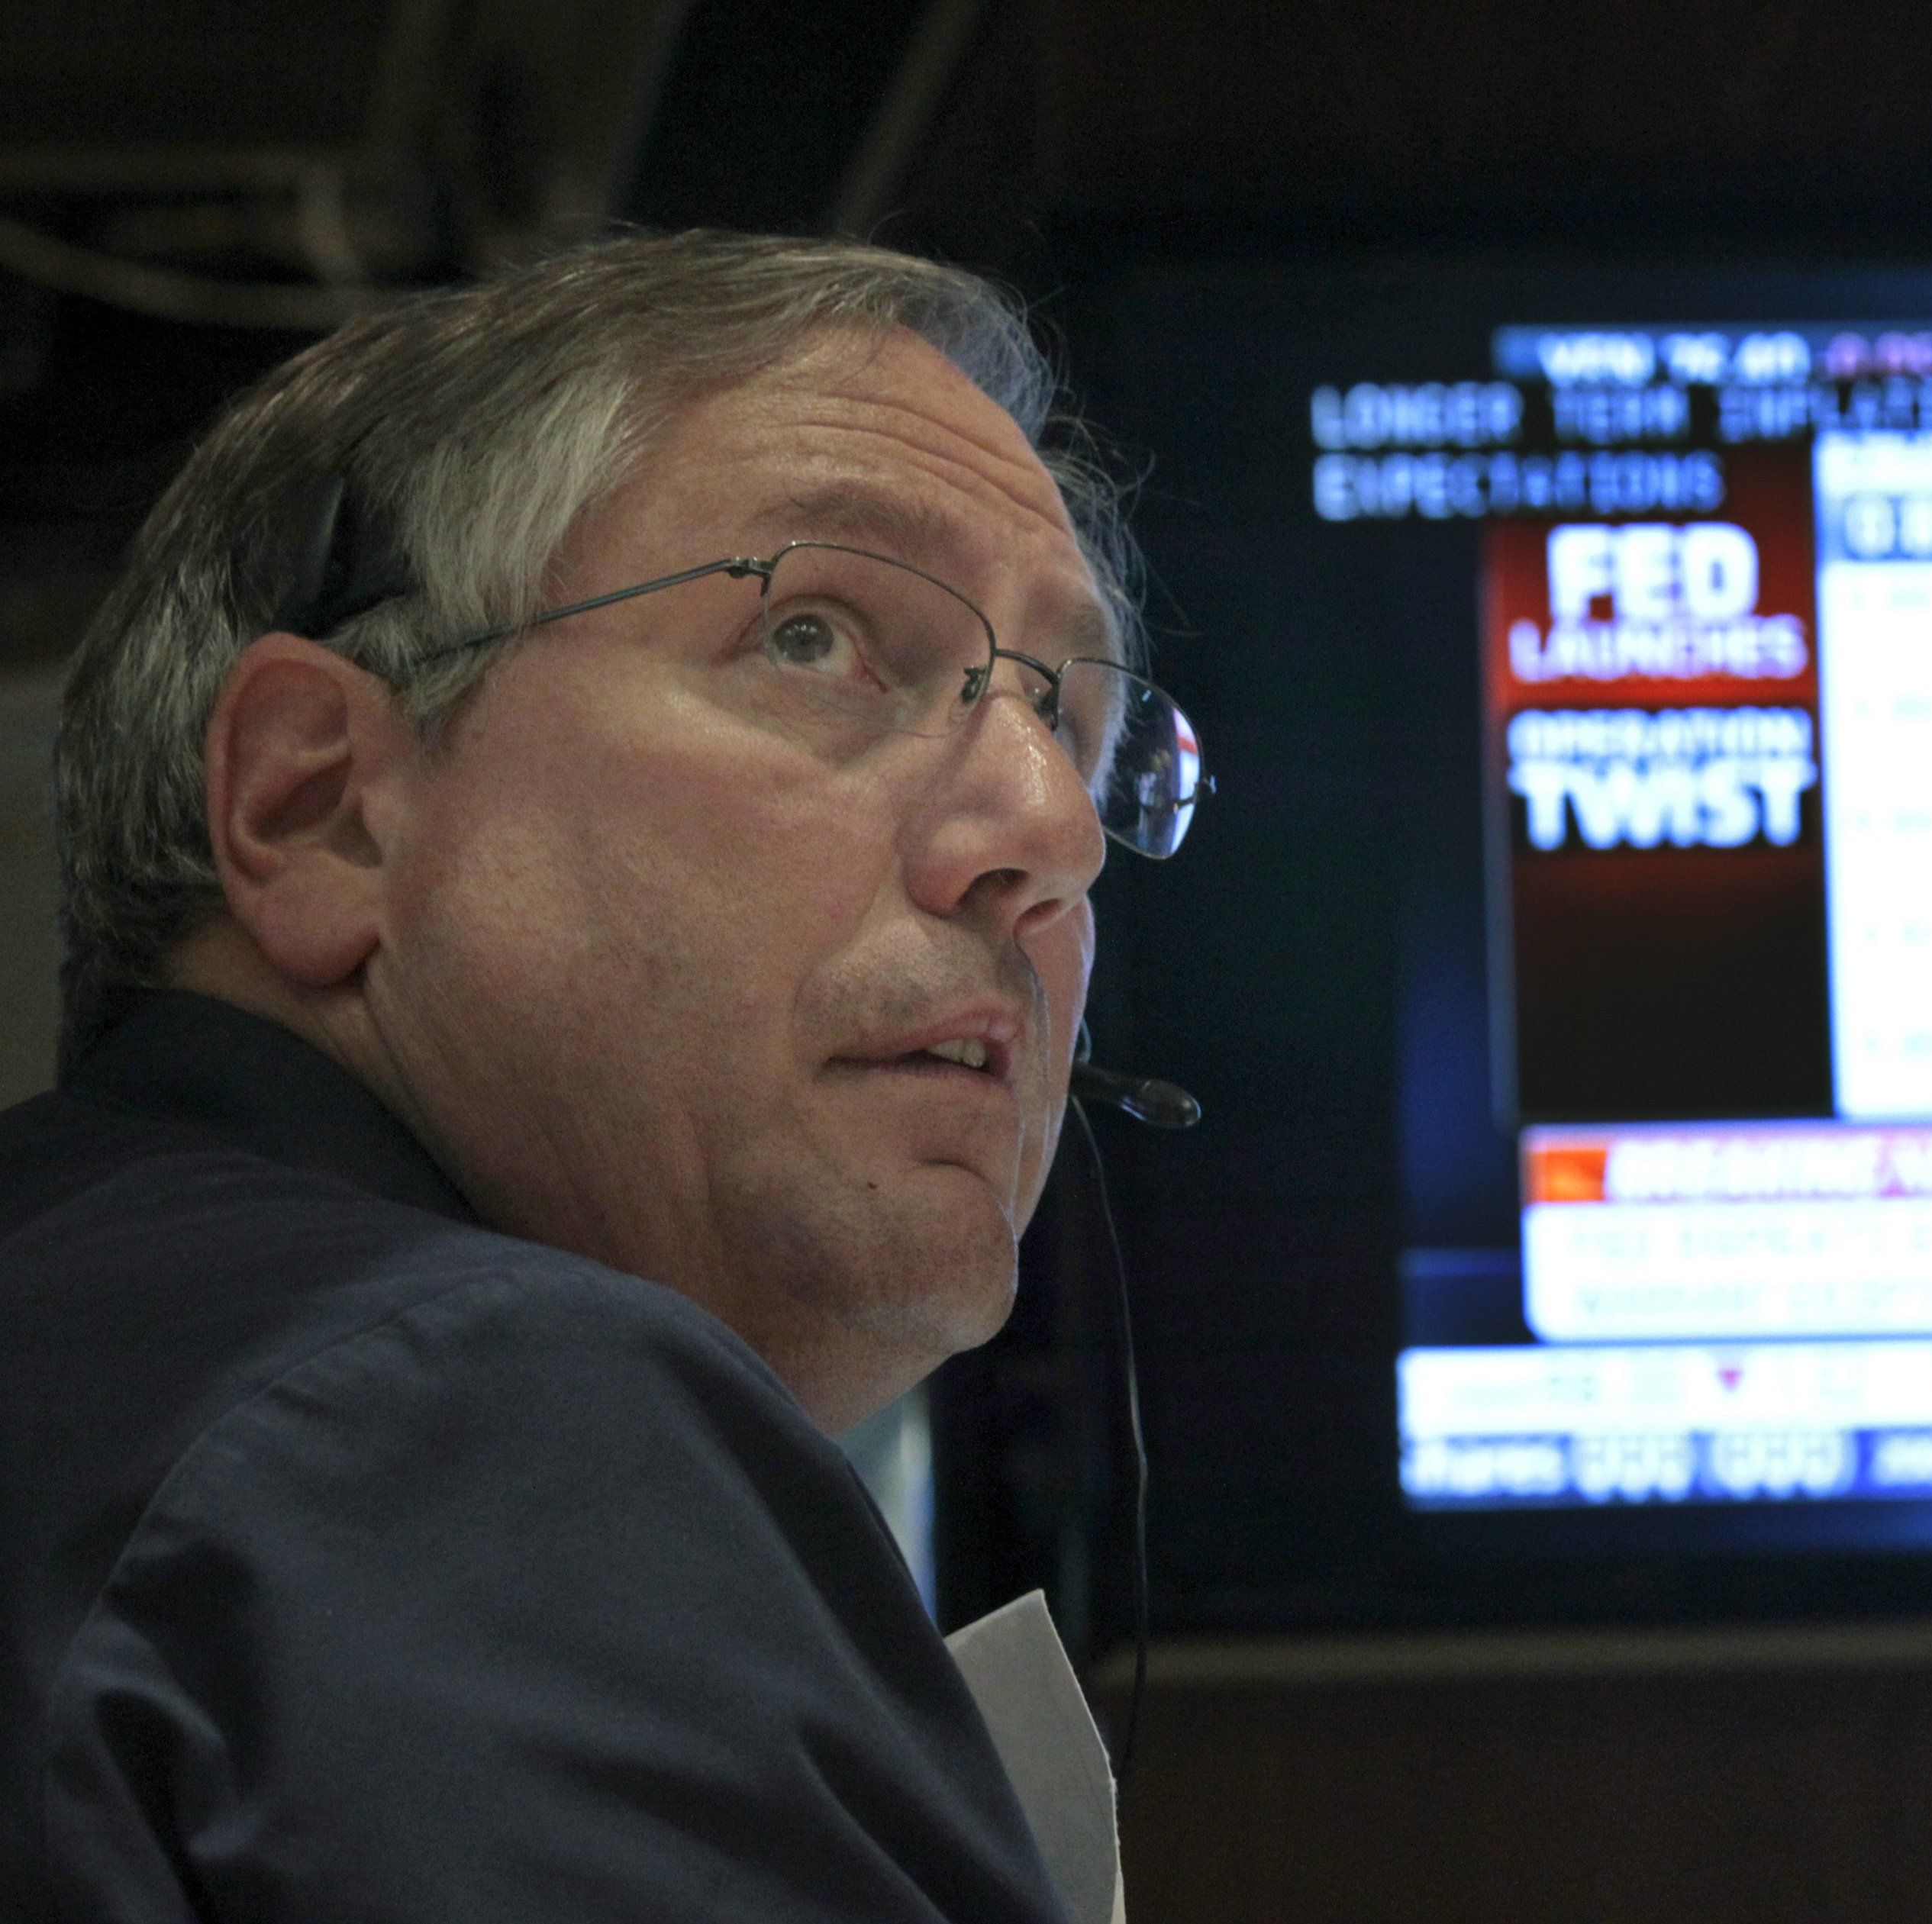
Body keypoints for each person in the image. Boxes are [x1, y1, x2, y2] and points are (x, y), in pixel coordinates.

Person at [0, 231, 1205, 1921]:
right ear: (320, 806)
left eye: (1073, 726)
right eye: (814, 637)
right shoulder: (478, 1406)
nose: (1051, 836)